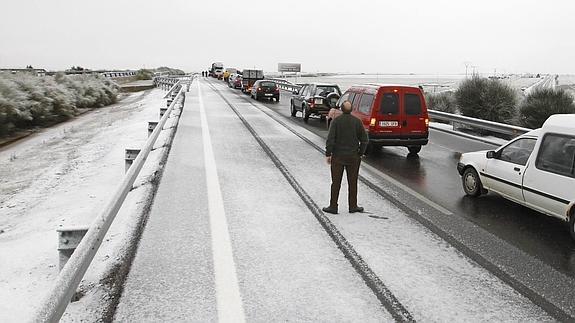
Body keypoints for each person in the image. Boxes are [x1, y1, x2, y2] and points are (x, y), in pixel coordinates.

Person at [323, 100, 368, 214]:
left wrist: (328, 154)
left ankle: (333, 206)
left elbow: (330, 139)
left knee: (336, 182)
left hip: (338, 156)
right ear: (351, 109)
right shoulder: (357, 122)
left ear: (341, 109)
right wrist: (360, 153)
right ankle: (353, 206)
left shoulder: (336, 121)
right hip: (353, 157)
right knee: (353, 182)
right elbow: (364, 140)